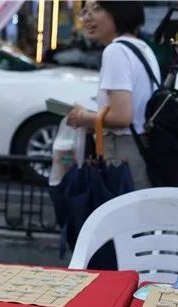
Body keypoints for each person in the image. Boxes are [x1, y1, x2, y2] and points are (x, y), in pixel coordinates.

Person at [66, 1, 159, 189]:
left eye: (97, 9)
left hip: (124, 153)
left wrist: (83, 118)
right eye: (85, 11)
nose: (87, 17)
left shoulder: (115, 51)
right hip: (143, 148)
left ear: (119, 11)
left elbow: (122, 117)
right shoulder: (141, 47)